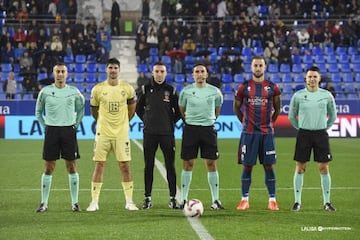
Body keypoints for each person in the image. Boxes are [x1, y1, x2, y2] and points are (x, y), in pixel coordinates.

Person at [86, 58, 139, 211]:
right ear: (106, 69)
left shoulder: (127, 88)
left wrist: (122, 122)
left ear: (119, 69)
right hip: (103, 133)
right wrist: (103, 122)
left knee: (125, 166)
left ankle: (129, 201)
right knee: (99, 165)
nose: (113, 70)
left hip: (121, 134)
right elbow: (94, 111)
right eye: (110, 67)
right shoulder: (98, 89)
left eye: (115, 67)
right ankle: (94, 202)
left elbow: (132, 109)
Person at [35, 62, 85, 212]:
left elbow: (81, 110)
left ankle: (75, 203)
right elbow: (38, 112)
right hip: (52, 132)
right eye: (58, 71)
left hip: (68, 131)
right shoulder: (45, 92)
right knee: (49, 167)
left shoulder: (74, 92)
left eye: (63, 71)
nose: (60, 74)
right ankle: (44, 203)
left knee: (71, 166)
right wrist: (46, 126)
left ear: (67, 73)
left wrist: (75, 125)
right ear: (53, 73)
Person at [233, 56, 281, 211]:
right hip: (249, 133)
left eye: (260, 65)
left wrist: (271, 123)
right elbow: (236, 108)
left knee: (269, 166)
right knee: (247, 166)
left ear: (265, 67)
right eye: (255, 65)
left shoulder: (272, 87)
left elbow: (277, 108)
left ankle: (272, 200)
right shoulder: (243, 87)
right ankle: (244, 199)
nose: (258, 68)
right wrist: (245, 122)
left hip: (266, 133)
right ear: (251, 67)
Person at [288, 66, 337, 211]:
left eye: (315, 76)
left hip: (321, 134)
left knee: (323, 167)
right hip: (304, 134)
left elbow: (332, 116)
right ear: (306, 78)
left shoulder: (327, 95)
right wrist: (301, 128)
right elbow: (291, 116)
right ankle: (297, 201)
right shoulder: (298, 96)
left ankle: (327, 202)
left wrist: (323, 127)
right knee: (300, 167)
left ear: (319, 78)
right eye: (310, 76)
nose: (312, 79)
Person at [135, 61, 182, 209]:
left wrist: (169, 123)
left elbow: (179, 112)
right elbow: (138, 109)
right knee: (148, 166)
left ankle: (173, 198)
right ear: (153, 73)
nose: (159, 74)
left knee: (170, 166)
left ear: (166, 73)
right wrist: (147, 121)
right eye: (157, 71)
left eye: (162, 71)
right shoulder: (145, 89)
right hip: (149, 134)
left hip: (167, 134)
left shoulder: (171, 91)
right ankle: (147, 198)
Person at [178, 63, 224, 210]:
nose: (199, 74)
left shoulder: (215, 92)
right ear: (193, 75)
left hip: (208, 130)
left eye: (202, 71)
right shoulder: (186, 91)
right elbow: (182, 108)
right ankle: (184, 199)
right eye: (196, 71)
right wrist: (190, 120)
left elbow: (217, 109)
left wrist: (209, 120)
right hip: (190, 129)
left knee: (211, 163)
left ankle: (215, 200)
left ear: (206, 74)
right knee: (188, 164)